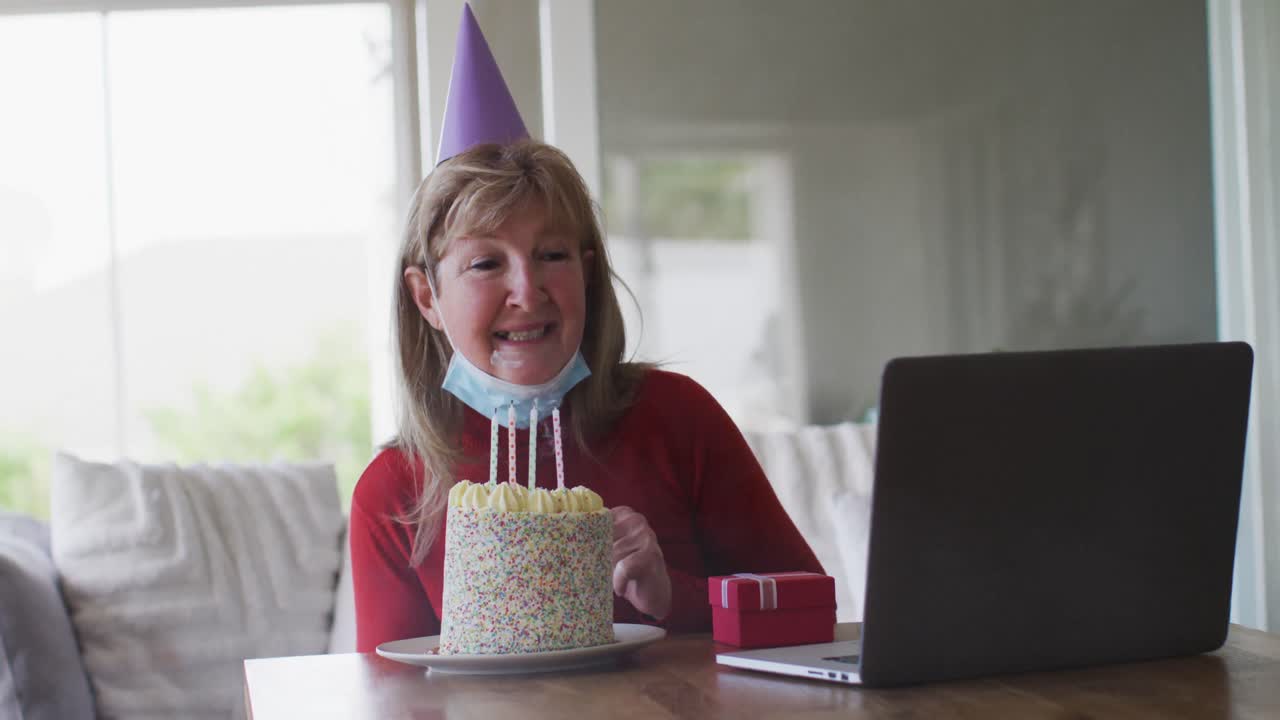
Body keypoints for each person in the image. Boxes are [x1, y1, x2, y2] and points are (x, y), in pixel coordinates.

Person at [349, 5, 822, 654]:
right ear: (426, 295)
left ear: (588, 272)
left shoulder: (677, 420)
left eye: (552, 255)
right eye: (487, 262)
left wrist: (672, 594)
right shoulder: (395, 491)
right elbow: (389, 696)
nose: (528, 290)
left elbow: (808, 613)